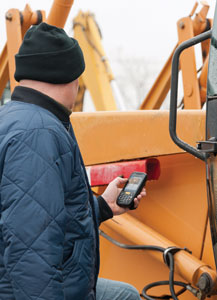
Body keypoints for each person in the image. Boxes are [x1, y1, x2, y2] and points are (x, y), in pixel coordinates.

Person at [0, 22, 145, 300]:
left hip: (23, 279)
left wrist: (103, 206)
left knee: (123, 295)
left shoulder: (14, 118)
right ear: (69, 77)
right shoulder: (39, 133)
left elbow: (38, 210)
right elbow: (33, 249)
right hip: (28, 287)